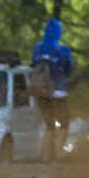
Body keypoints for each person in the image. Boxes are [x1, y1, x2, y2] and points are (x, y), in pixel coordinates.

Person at [30, 17, 73, 161]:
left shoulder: (38, 47)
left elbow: (33, 65)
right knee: (64, 123)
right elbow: (69, 69)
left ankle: (46, 156)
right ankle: (59, 153)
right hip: (58, 91)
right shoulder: (63, 49)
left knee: (49, 125)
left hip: (41, 91)